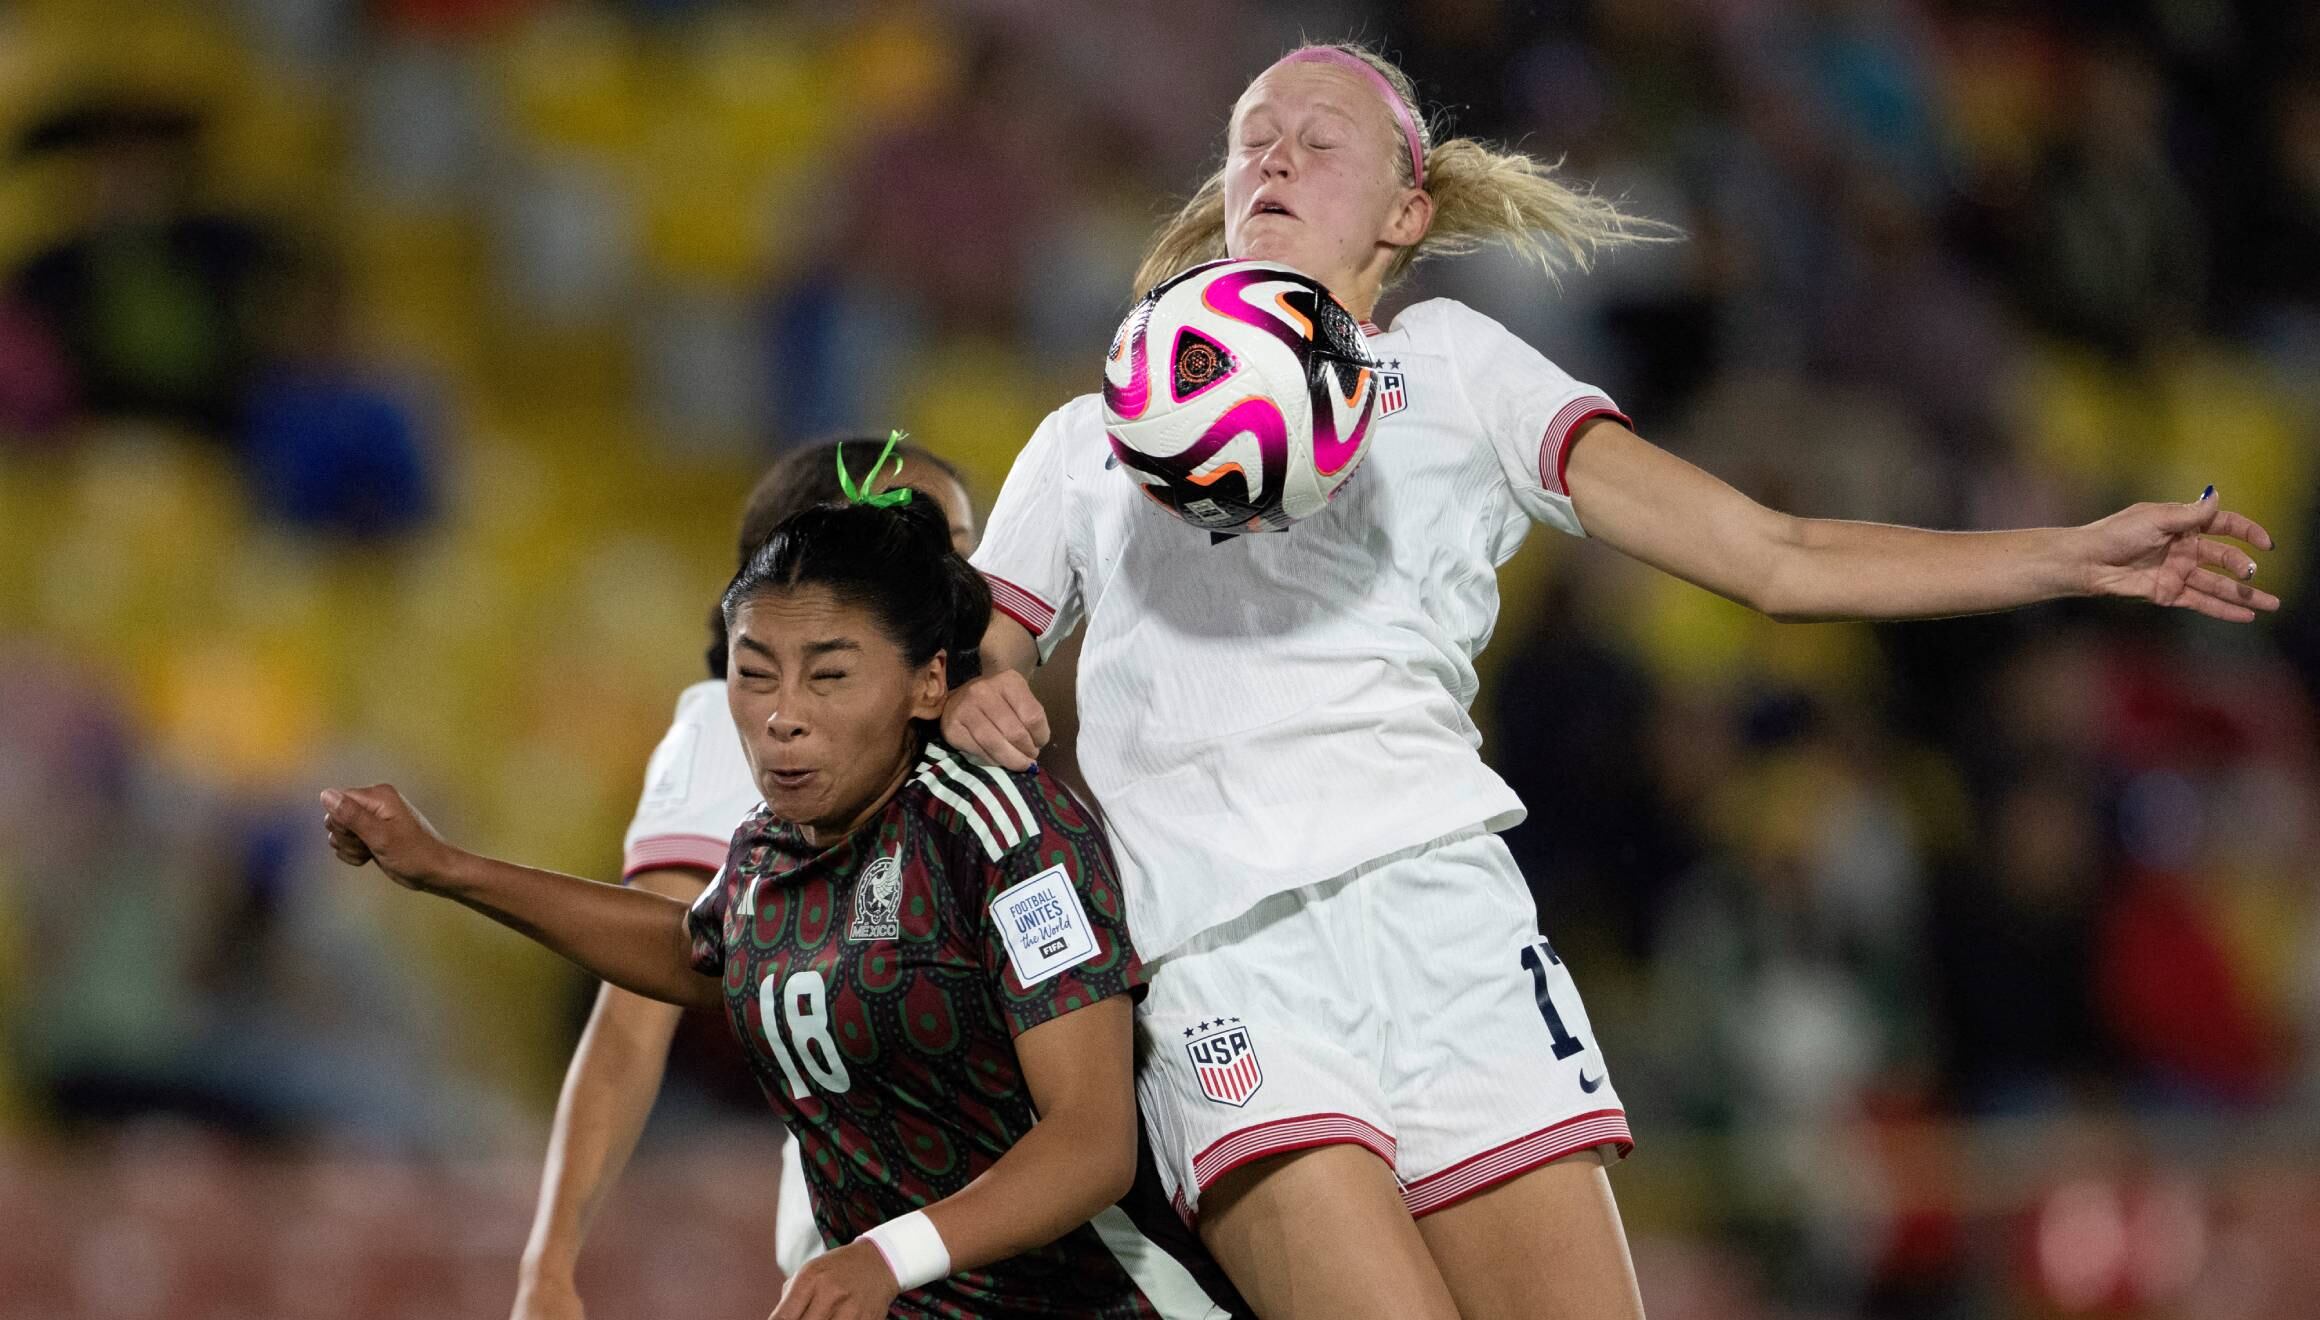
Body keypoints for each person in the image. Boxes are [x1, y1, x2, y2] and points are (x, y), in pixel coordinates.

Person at [941, 41, 2282, 1320]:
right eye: (1252, 140)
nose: (1276, 157)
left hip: (1448, 929)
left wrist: (2067, 555)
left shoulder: (1456, 367)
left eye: (1320, 139)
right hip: (1226, 959)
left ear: (1407, 213)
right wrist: (985, 689)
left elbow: (1771, 557)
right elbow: (971, 659)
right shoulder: (1084, 442)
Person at [324, 469, 1243, 1319]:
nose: (781, 716)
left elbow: (1092, 1144)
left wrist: (881, 1258)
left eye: (830, 676)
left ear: (929, 681)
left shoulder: (1003, 832)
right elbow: (700, 953)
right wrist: (448, 868)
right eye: (754, 673)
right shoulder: (768, 847)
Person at [512, 437, 977, 1320]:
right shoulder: (744, 733)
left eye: (960, 547)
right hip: (875, 1224)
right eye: (922, 542)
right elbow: (632, 1020)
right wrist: (552, 1261)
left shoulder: (987, 713)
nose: (955, 576)